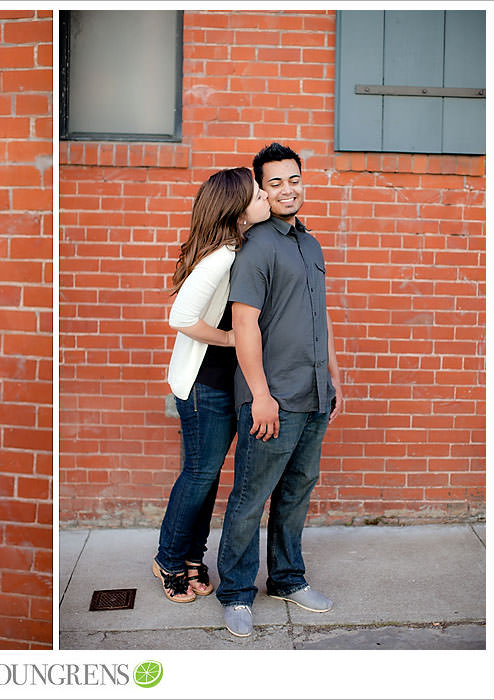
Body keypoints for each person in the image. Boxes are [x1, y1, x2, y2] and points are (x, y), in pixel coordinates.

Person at [216, 142, 344, 637]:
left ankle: (288, 579)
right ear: (261, 191)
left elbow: (320, 316)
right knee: (251, 496)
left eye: (293, 179)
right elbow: (244, 325)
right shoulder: (256, 247)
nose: (287, 189)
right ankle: (236, 594)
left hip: (314, 394)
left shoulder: (310, 245)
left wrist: (334, 374)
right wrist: (261, 396)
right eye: (275, 182)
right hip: (272, 399)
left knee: (296, 492)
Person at [153, 167, 271, 603]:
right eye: (258, 195)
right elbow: (181, 318)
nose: (266, 199)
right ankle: (168, 558)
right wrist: (228, 338)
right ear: (238, 210)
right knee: (200, 475)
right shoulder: (222, 255)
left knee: (207, 476)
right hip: (205, 386)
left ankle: (190, 557)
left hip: (226, 384)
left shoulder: (240, 249)